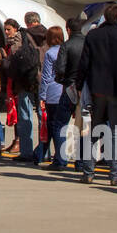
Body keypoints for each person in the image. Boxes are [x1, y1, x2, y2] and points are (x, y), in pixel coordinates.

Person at [72, 4, 117, 186]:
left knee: (94, 131)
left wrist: (80, 85)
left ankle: (88, 171)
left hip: (97, 89)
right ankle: (115, 175)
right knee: (116, 131)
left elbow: (84, 63)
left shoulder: (93, 36)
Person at [4, 19, 39, 162]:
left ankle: (26, 151)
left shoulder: (16, 44)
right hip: (38, 81)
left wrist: (5, 64)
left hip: (25, 83)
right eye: (5, 29)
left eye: (8, 29)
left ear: (16, 29)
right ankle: (43, 151)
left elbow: (16, 67)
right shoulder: (32, 38)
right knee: (40, 117)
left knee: (25, 117)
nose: (6, 32)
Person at [36, 26, 71, 169]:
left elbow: (46, 77)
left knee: (54, 126)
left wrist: (42, 95)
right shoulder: (66, 50)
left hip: (53, 92)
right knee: (62, 126)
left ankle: (59, 159)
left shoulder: (50, 53)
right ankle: (59, 155)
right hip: (67, 90)